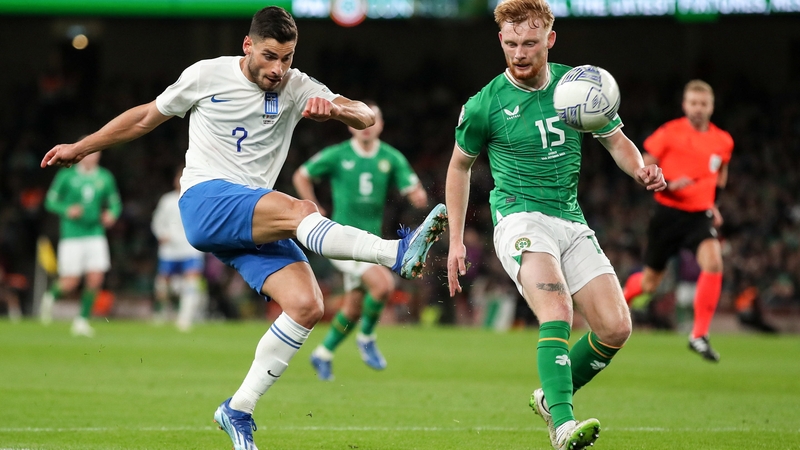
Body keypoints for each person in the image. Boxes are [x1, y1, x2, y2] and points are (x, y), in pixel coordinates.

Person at [40, 7, 446, 450]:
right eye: (270, 56)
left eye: (287, 58)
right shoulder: (206, 75)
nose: (278, 69)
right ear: (247, 46)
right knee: (301, 209)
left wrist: (336, 111)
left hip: (251, 218)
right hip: (206, 200)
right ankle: (395, 253)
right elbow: (144, 118)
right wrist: (82, 147)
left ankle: (238, 408)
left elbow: (364, 114)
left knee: (307, 305)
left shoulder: (296, 85)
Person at [444, 0, 666, 449]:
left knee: (615, 327)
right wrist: (456, 241)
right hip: (519, 217)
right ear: (500, 40)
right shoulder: (485, 104)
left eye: (529, 43)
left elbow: (617, 141)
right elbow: (458, 168)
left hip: (570, 218)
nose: (519, 53)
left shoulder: (578, 87)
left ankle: (550, 397)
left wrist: (641, 169)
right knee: (558, 310)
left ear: (550, 39)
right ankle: (563, 425)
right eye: (511, 44)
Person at [292, 101, 429, 381]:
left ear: (380, 125)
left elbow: (412, 186)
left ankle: (323, 354)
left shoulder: (390, 157)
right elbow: (302, 175)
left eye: (373, 120)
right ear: (350, 125)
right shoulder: (338, 154)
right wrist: (312, 205)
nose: (367, 127)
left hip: (370, 242)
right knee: (383, 284)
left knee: (353, 307)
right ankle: (366, 338)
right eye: (362, 121)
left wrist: (416, 194)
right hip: (341, 241)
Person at [621, 80, 733, 362]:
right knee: (650, 284)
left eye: (703, 103)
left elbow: (721, 173)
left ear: (711, 106)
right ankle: (621, 301)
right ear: (684, 105)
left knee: (714, 261)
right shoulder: (669, 132)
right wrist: (668, 183)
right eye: (693, 103)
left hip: (699, 216)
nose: (698, 108)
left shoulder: (723, 141)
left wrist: (714, 204)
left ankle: (699, 335)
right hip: (668, 213)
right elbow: (644, 163)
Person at [39, 151, 121, 337]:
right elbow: (50, 201)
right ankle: (50, 297)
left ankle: (82, 320)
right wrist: (67, 209)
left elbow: (115, 203)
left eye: (95, 153)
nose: (92, 157)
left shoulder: (105, 177)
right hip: (72, 235)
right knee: (71, 282)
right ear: (81, 154)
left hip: (95, 233)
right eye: (88, 153)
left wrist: (112, 214)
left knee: (96, 277)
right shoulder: (66, 175)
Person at [151, 166, 206, 332]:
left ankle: (185, 318)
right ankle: (163, 312)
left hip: (191, 249)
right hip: (170, 250)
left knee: (192, 282)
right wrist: (161, 234)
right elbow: (157, 221)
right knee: (163, 284)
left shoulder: (198, 199)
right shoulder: (167, 200)